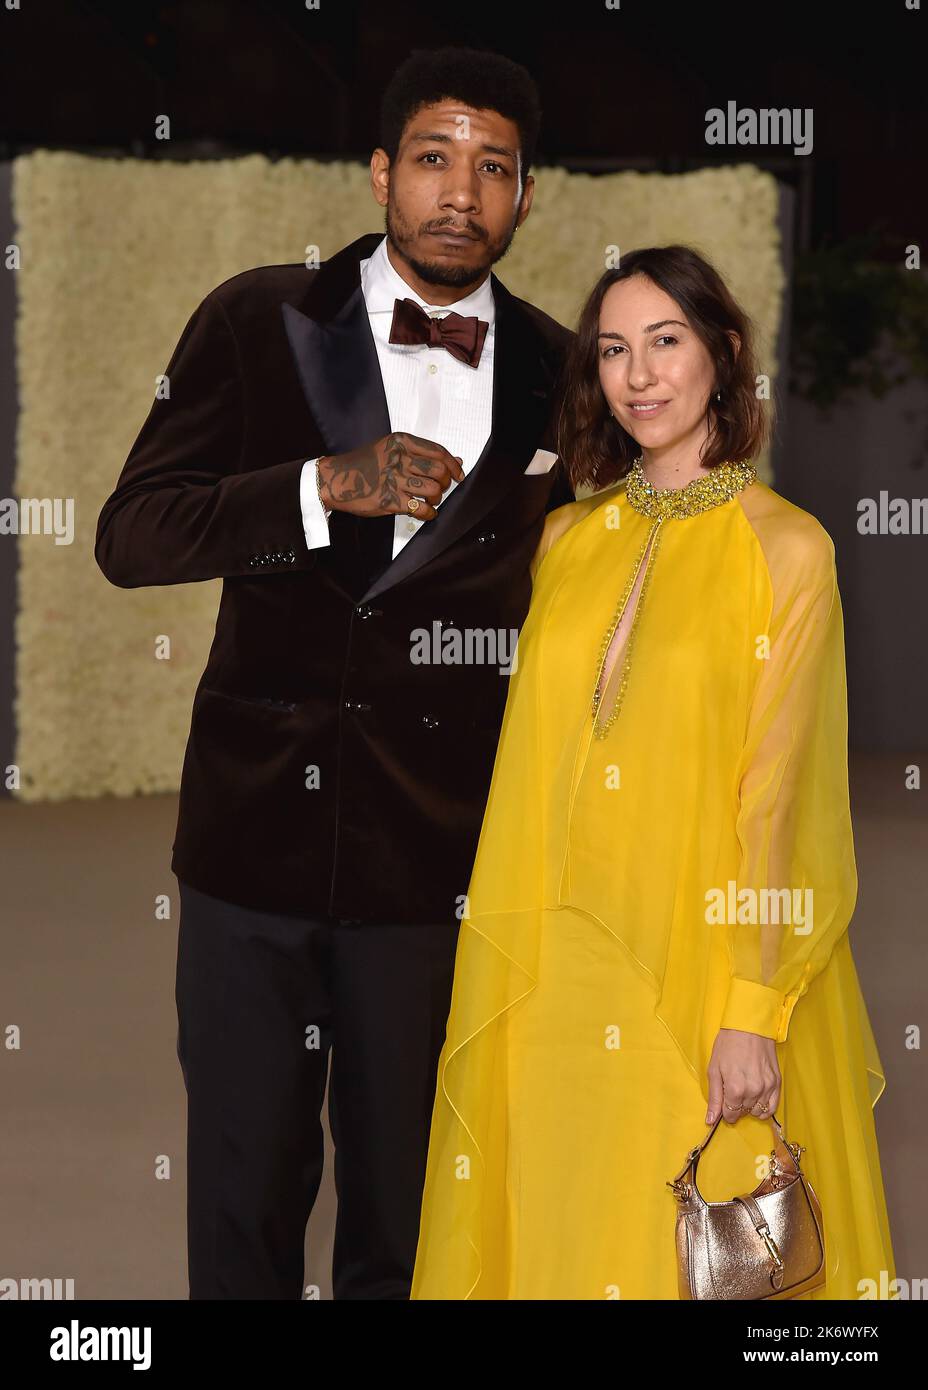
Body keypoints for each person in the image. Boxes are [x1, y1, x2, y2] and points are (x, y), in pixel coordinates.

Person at [93, 46, 576, 1299]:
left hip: (442, 867)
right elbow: (133, 534)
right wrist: (319, 488)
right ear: (379, 174)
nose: (459, 193)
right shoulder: (257, 317)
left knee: (408, 1215)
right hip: (253, 847)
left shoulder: (562, 371)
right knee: (242, 1195)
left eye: (492, 168)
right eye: (431, 159)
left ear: (528, 197)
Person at [410, 245, 896, 1299]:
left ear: (722, 354)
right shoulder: (564, 544)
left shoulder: (787, 551)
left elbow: (776, 799)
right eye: (615, 351)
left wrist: (751, 1007)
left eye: (665, 342)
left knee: (690, 1248)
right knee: (558, 1231)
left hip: (700, 965)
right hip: (550, 969)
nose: (638, 375)